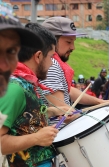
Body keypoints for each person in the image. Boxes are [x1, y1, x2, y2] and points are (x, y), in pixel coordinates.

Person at [0, 23, 71, 167]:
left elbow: (24, 119)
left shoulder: (28, 83)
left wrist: (54, 111)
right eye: (51, 57)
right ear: (38, 56)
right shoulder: (14, 89)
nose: (52, 64)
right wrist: (37, 138)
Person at [40, 17, 109, 128]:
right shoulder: (52, 67)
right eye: (68, 42)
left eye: (73, 42)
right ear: (51, 41)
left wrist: (100, 102)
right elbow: (64, 112)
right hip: (57, 136)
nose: (73, 47)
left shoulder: (54, 64)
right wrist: (94, 115)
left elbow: (69, 90)